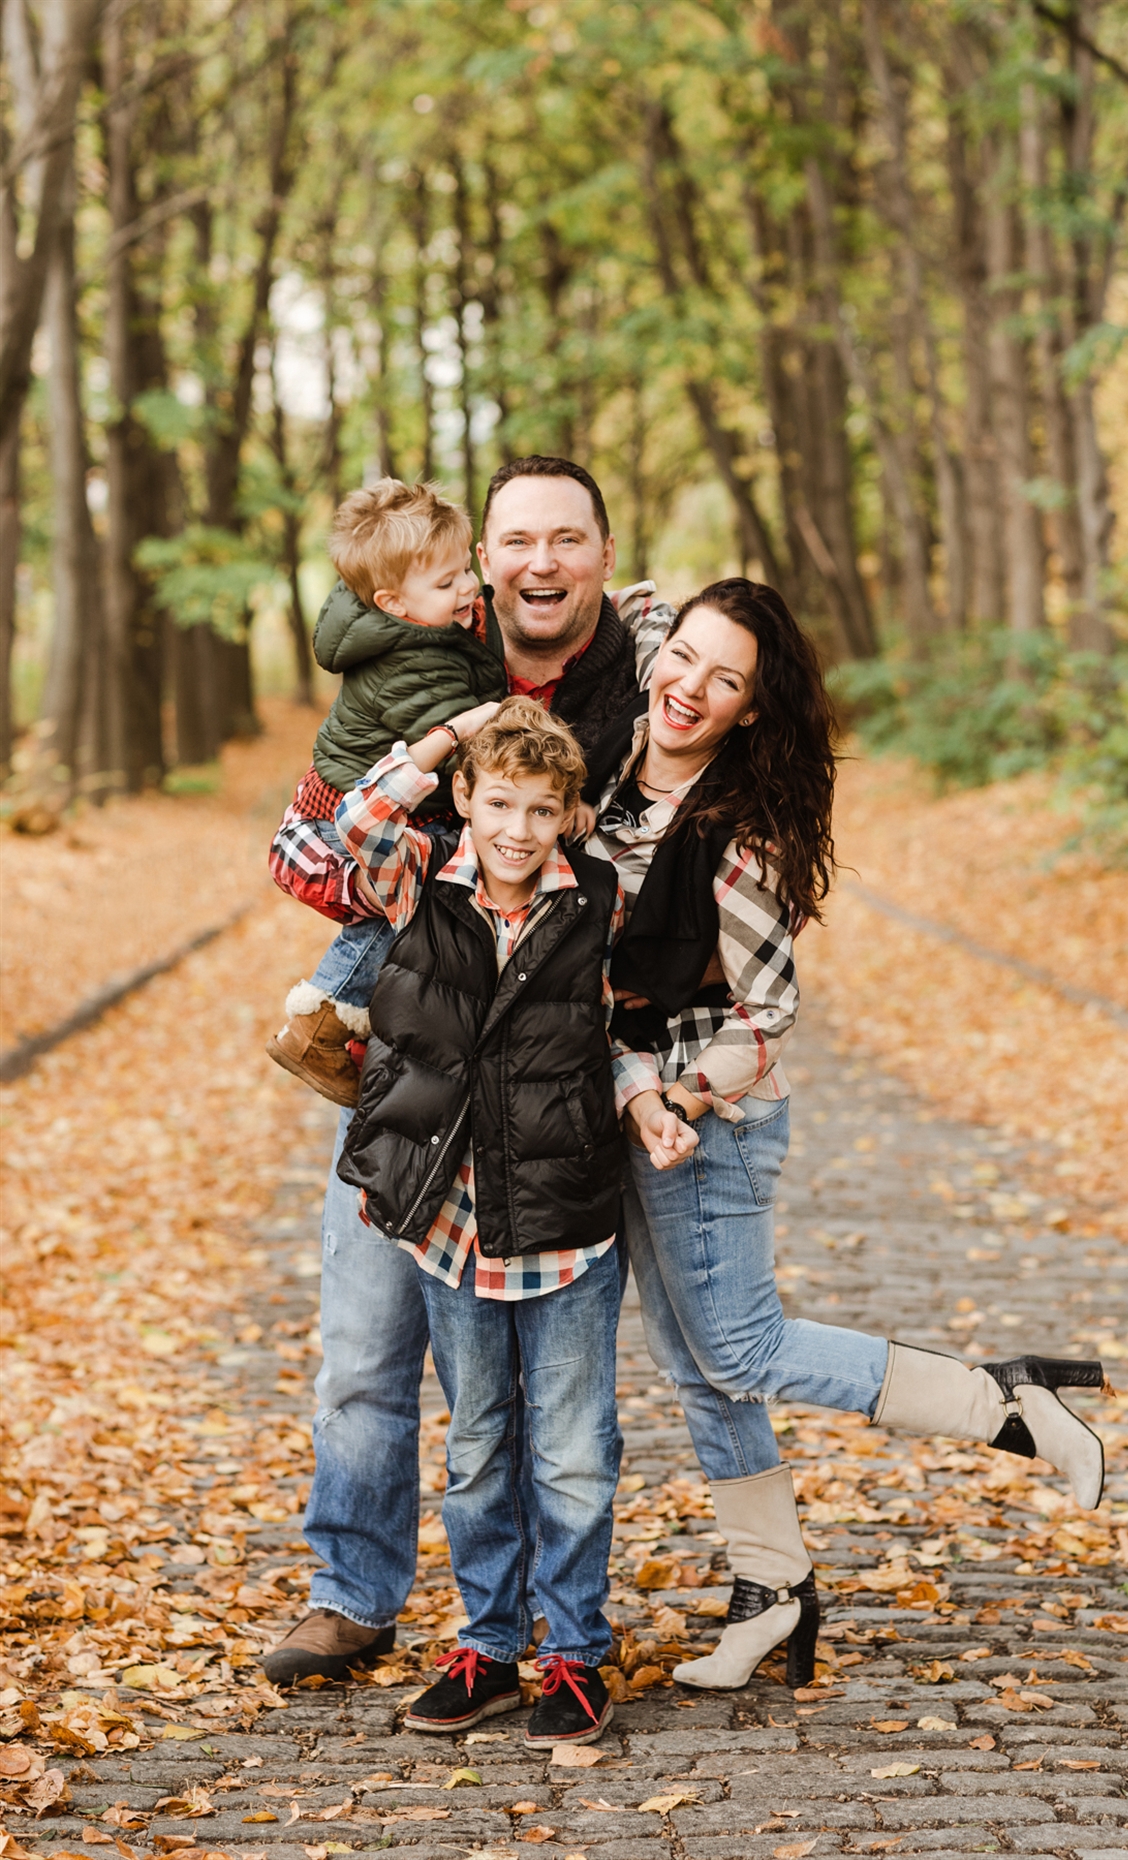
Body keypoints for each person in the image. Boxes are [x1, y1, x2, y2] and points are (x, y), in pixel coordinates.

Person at [584, 578, 1110, 1694]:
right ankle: (773, 1591)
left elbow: (766, 1017)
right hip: (621, 1103)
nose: (690, 687)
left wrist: (679, 1102)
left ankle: (1001, 1401)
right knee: (695, 1370)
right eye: (683, 659)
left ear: (752, 713)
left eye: (725, 681)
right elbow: (633, 608)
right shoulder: (617, 748)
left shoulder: (738, 839)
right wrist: (643, 613)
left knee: (741, 1350)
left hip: (705, 1118)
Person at [262, 458, 674, 1685]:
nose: (540, 561)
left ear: (602, 552)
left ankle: (550, 1631)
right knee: (363, 1355)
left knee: (549, 1409)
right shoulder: (432, 653)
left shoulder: (637, 690)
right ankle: (353, 1592)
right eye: (516, 542)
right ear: (483, 566)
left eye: (566, 539)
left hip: (550, 1091)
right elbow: (318, 839)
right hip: (410, 1073)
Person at [327, 698, 628, 1746]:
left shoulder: (595, 898)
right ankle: (488, 1647)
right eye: (498, 803)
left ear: (566, 818)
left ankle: (577, 1657)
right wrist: (458, 732)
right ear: (465, 800)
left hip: (564, 1218)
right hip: (448, 1222)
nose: (515, 829)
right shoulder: (421, 882)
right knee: (480, 1449)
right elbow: (357, 819)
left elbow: (625, 1022)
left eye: (541, 810)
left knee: (573, 1452)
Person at [266, 478, 505, 1107]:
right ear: (393, 602)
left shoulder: (409, 626)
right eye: (447, 582)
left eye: (465, 570)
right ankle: (318, 1025)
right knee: (414, 890)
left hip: (362, 797)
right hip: (346, 812)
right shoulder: (412, 663)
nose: (467, 589)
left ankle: (347, 1020)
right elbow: (469, 744)